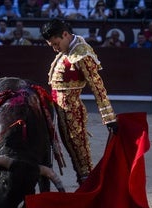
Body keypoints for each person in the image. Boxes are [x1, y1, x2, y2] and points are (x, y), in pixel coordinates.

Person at [40, 19, 118, 184]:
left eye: (56, 43)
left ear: (66, 35)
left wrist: (109, 118)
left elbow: (97, 87)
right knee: (75, 157)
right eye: (52, 45)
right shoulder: (68, 49)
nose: (55, 48)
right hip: (59, 112)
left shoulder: (81, 53)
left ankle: (89, 193)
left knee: (81, 160)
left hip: (72, 114)